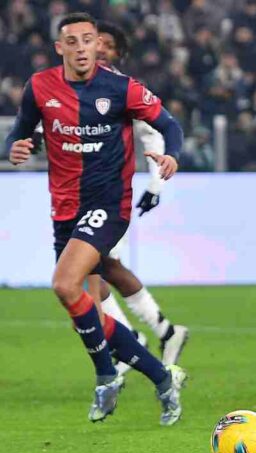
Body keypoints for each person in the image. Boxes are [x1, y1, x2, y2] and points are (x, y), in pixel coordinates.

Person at [5, 12, 187, 426]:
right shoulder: (40, 86)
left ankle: (106, 377)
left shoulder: (121, 88)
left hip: (108, 205)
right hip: (64, 210)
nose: (82, 48)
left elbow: (169, 125)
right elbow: (20, 132)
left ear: (96, 44)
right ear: (60, 48)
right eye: (72, 41)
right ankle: (162, 379)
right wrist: (15, 146)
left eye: (88, 40)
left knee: (63, 284)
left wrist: (172, 155)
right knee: (86, 314)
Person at [96, 21, 189, 376]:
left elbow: (155, 134)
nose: (99, 49)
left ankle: (129, 342)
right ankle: (163, 332)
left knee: (89, 269)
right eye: (94, 42)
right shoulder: (70, 87)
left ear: (118, 54)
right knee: (104, 267)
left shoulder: (124, 89)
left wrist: (156, 185)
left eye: (107, 44)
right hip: (77, 193)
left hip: (110, 192)